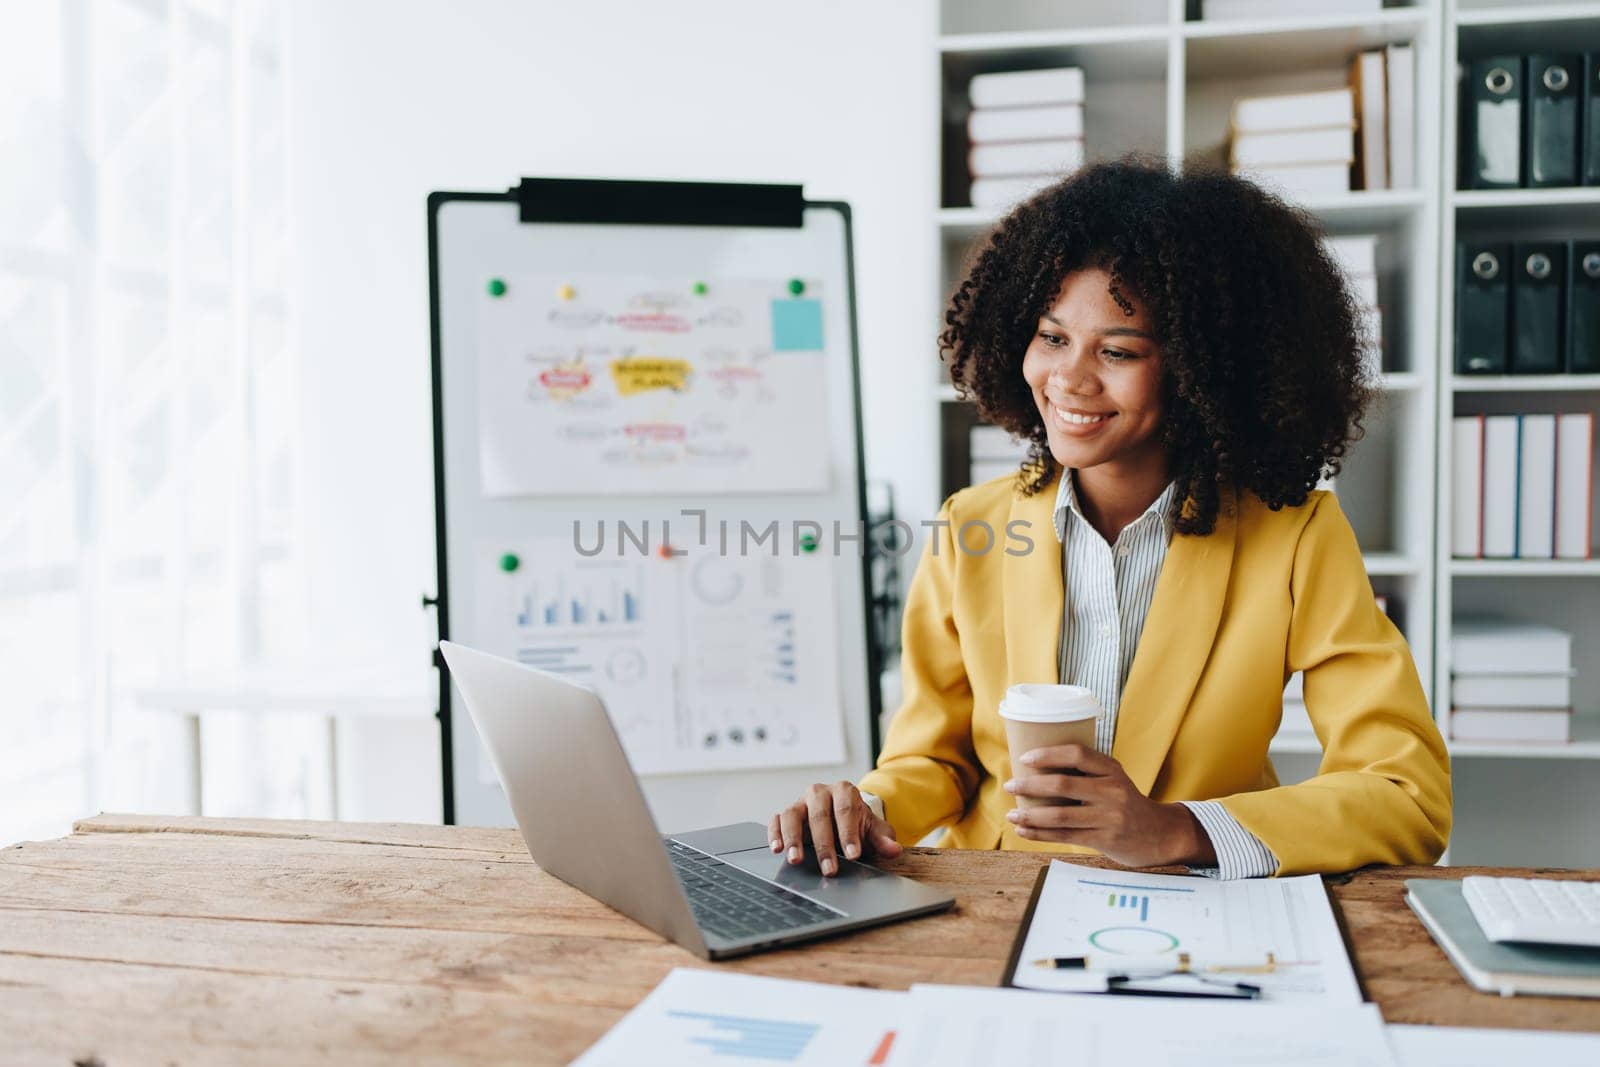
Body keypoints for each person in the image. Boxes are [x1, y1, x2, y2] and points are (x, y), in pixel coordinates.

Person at [767, 158, 1451, 879]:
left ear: (1203, 369)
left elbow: (1407, 794)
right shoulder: (971, 527)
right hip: (995, 905)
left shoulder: (1295, 537)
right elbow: (933, 759)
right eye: (1053, 337)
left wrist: (1174, 828)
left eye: (1118, 350)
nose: (1069, 379)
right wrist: (866, 807)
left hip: (1199, 911)